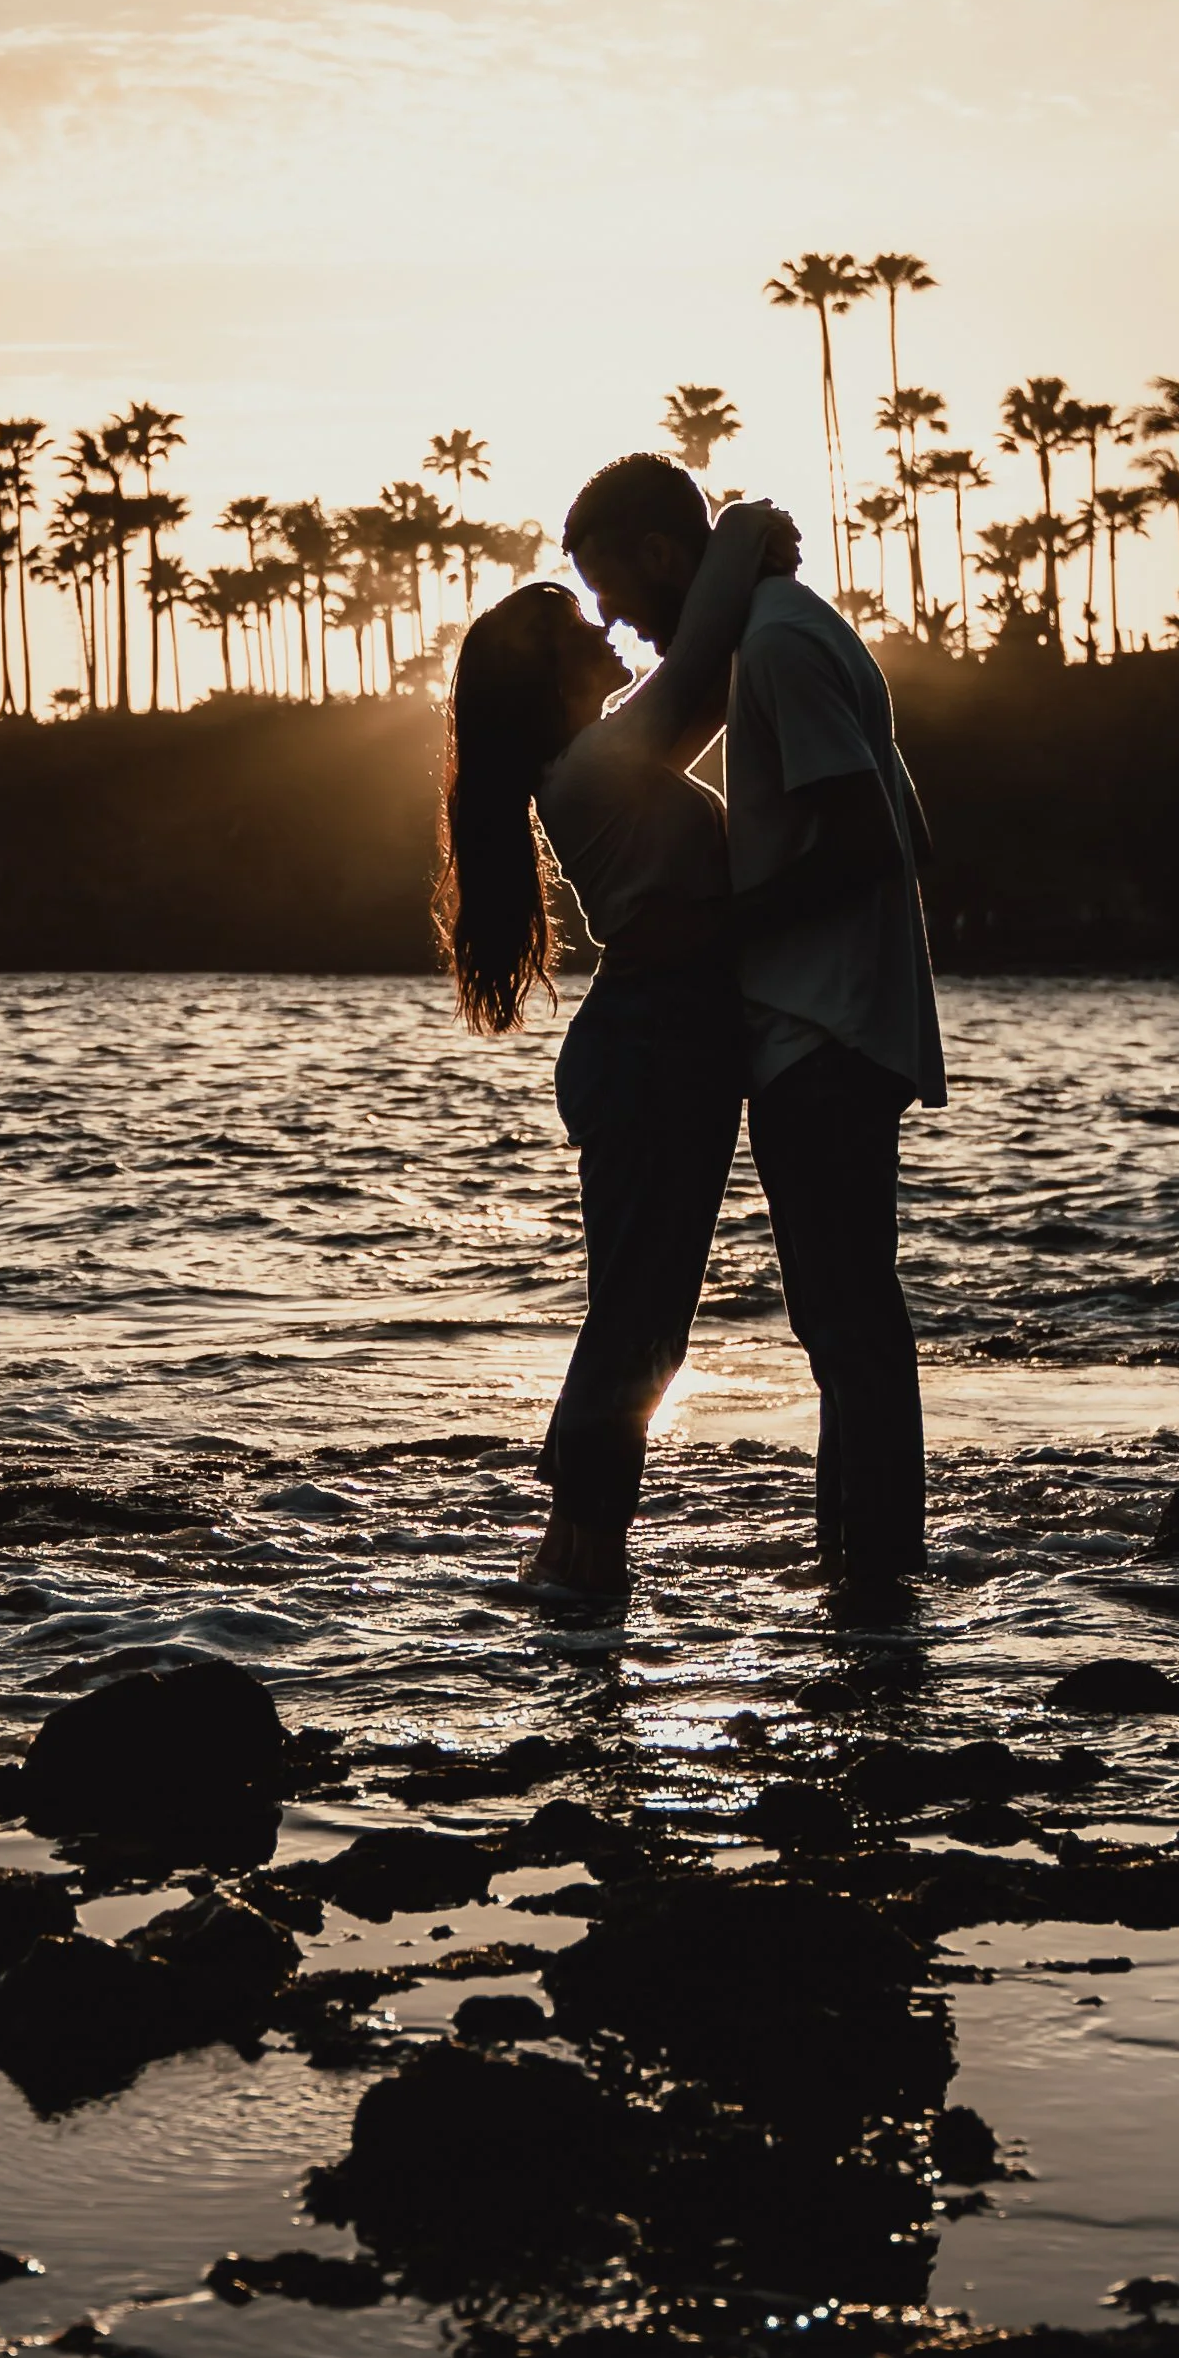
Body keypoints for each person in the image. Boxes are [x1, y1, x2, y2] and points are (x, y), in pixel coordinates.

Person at [562, 452, 943, 1604]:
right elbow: (907, 826)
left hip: (817, 1029)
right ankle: (861, 1583)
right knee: (844, 1320)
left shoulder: (776, 646)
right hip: (828, 1022)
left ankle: (874, 1580)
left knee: (848, 1324)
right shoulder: (783, 636)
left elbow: (871, 840)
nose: (613, 621)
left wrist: (718, 932)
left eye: (613, 590)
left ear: (663, 557)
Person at [435, 491, 800, 1601]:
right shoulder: (596, 765)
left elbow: (711, 671)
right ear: (545, 680)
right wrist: (744, 527)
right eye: (571, 624)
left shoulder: (603, 754)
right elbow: (696, 674)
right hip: (651, 1050)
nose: (601, 623)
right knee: (641, 1320)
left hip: (658, 1046)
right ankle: (581, 1547)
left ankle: (578, 1547)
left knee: (642, 1317)